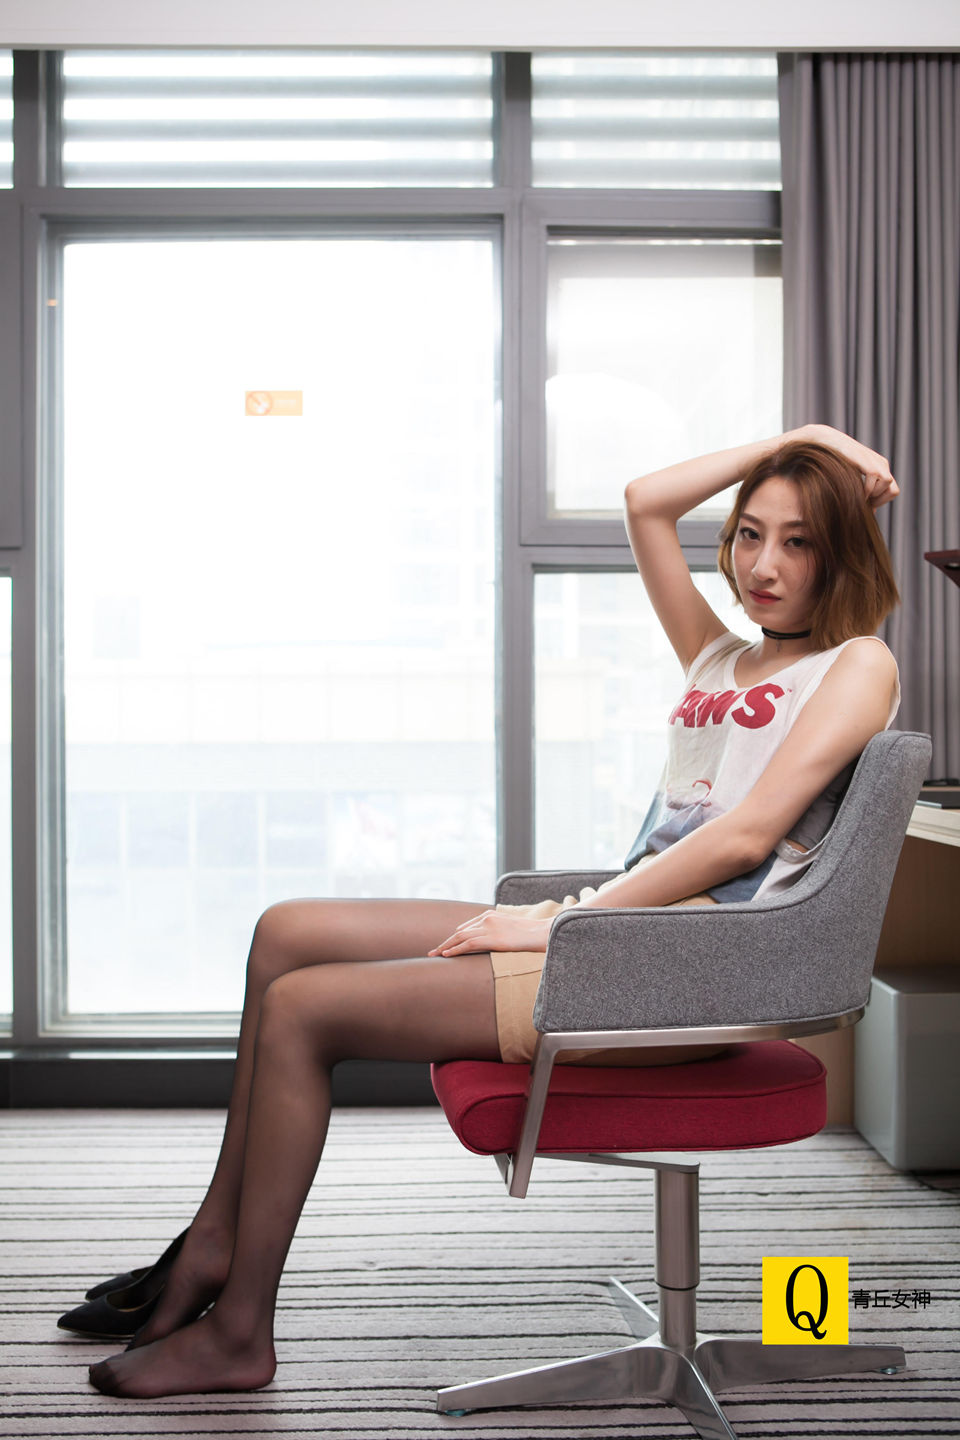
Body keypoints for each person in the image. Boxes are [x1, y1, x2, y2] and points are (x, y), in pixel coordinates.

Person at [78, 422, 900, 1398]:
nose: (763, 565)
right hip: (615, 936)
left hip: (682, 969)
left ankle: (239, 1331)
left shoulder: (856, 665)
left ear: (839, 553)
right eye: (750, 534)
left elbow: (742, 839)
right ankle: (213, 1240)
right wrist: (799, 437)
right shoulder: (717, 658)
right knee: (284, 934)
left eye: (799, 541)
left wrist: (552, 924)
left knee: (305, 1010)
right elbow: (645, 502)